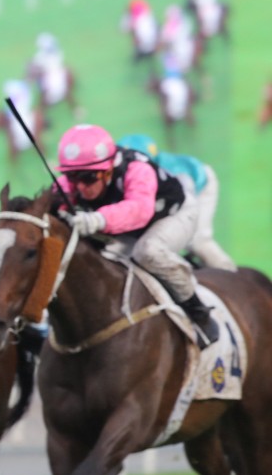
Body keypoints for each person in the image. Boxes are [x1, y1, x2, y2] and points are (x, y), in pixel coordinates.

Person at [52, 123, 216, 348]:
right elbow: (53, 203)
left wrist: (97, 219)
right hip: (131, 228)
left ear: (108, 169)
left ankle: (198, 311)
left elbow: (139, 210)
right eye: (72, 177)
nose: (79, 186)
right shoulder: (72, 184)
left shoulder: (137, 168)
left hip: (174, 215)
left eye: (88, 178)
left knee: (147, 252)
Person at [115, 134, 235, 271]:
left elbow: (185, 207)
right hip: (183, 191)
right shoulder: (130, 171)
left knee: (198, 241)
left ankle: (230, 273)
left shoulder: (173, 172)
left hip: (200, 186)